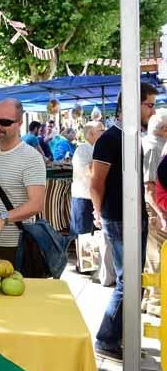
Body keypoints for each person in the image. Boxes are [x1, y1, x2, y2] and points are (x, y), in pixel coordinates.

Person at [90, 83, 158, 360]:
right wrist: (98, 213)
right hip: (118, 218)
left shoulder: (132, 137)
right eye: (149, 104)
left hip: (132, 216)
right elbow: (96, 183)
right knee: (128, 282)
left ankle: (118, 339)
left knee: (134, 281)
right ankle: (106, 339)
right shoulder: (109, 139)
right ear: (133, 104)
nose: (152, 111)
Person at [0, 99, 46, 268]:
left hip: (16, 246)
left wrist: (2, 218)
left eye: (5, 122)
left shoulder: (31, 158)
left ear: (20, 124)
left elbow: (36, 204)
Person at [70, 121, 112, 282]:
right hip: (83, 196)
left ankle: (92, 265)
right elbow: (90, 171)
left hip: (95, 195)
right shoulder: (82, 149)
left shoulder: (99, 148)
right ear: (91, 134)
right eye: (101, 130)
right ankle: (85, 266)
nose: (104, 132)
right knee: (84, 231)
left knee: (94, 232)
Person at [141, 108, 167, 315]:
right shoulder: (153, 147)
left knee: (155, 256)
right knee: (157, 256)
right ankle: (155, 302)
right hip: (156, 209)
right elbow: (149, 188)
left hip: (155, 208)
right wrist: (161, 214)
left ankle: (150, 299)